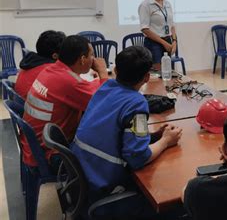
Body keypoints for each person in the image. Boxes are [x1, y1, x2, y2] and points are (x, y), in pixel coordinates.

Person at [71, 46, 183, 218]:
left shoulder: (106, 86)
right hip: (104, 183)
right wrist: (166, 141)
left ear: (115, 69)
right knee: (173, 206)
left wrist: (153, 136)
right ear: (146, 77)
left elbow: (117, 130)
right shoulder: (136, 105)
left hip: (83, 170)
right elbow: (138, 157)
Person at [22, 35, 108, 168]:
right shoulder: (68, 82)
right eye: (92, 55)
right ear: (82, 59)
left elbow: (80, 87)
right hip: (51, 153)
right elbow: (105, 102)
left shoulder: (51, 70)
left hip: (35, 144)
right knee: (108, 144)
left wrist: (98, 81)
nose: (94, 59)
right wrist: (103, 73)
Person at [138, 0, 177, 70]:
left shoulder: (167, 4)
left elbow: (171, 25)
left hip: (168, 41)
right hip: (154, 43)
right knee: (158, 73)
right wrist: (164, 43)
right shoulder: (145, 5)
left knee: (167, 71)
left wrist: (174, 41)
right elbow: (145, 29)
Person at [15, 30, 66, 99]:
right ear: (55, 56)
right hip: (29, 106)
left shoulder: (31, 60)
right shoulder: (50, 69)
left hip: (20, 102)